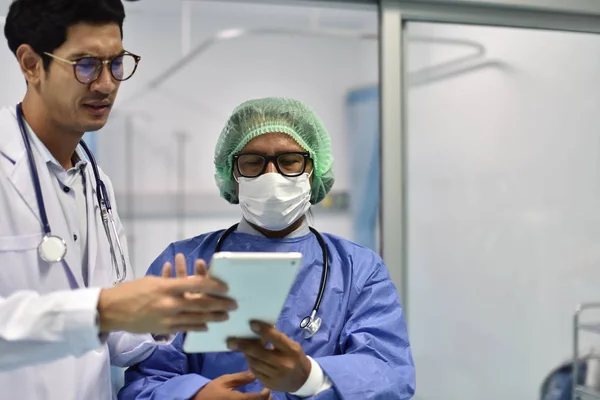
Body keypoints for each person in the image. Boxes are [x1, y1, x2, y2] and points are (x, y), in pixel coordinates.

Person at [0, 0, 236, 398]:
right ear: (30, 64)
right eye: (86, 64)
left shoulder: (97, 184)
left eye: (116, 63)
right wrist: (102, 309)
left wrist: (162, 317)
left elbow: (113, 342)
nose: (106, 84)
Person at [119, 97, 416, 400]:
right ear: (232, 174)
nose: (271, 175)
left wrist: (310, 378)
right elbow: (146, 380)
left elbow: (389, 373)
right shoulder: (183, 262)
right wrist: (195, 396)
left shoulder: (358, 269)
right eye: (253, 162)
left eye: (289, 161)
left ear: (313, 170)